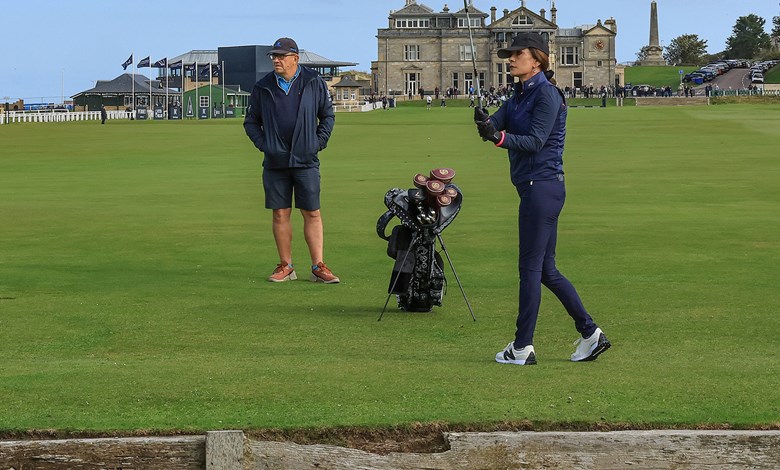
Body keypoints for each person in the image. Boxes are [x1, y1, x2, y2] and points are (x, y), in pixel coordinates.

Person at [473, 32, 611, 365]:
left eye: (516, 54)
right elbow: (496, 125)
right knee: (546, 270)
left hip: (543, 187)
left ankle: (522, 347)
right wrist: (484, 122)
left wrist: (498, 137)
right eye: (509, 54)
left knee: (530, 269)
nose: (510, 59)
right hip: (534, 188)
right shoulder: (518, 95)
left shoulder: (547, 95)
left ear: (536, 58)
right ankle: (591, 334)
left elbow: (534, 141)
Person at [243, 37, 340, 284]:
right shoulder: (263, 86)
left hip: (306, 159)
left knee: (312, 212)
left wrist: (317, 143)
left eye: (281, 56)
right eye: (274, 56)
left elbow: (327, 116)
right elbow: (251, 122)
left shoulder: (313, 82)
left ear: (295, 58)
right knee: (280, 213)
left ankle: (318, 266)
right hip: (276, 161)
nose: (276, 60)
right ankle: (286, 266)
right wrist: (266, 146)